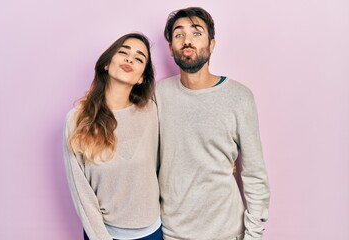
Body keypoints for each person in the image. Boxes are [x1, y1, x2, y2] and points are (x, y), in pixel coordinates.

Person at [155, 7, 270, 240]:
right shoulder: (159, 94)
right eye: (179, 35)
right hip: (173, 232)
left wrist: (254, 234)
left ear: (212, 44)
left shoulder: (239, 97)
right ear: (171, 48)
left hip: (227, 231)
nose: (187, 40)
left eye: (196, 33)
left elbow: (254, 173)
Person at [63, 33, 162, 240]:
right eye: (123, 52)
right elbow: (81, 191)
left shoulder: (151, 111)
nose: (129, 59)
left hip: (152, 231)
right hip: (104, 234)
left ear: (142, 77)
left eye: (139, 58)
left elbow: (170, 158)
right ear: (107, 63)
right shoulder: (77, 119)